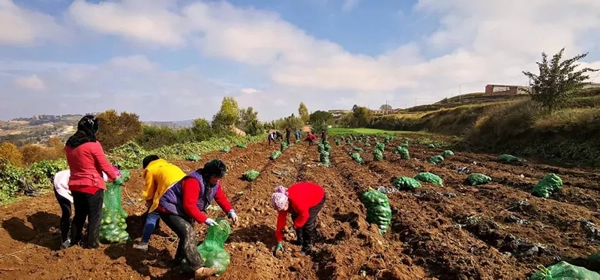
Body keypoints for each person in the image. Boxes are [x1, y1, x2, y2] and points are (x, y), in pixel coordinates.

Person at [157, 159, 239, 279]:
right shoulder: (193, 181)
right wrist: (204, 219)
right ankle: (198, 269)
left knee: (186, 235)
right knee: (187, 232)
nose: (218, 180)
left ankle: (179, 261)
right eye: (216, 177)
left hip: (183, 211)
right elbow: (189, 205)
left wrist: (230, 211)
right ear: (209, 175)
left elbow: (220, 197)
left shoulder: (213, 183)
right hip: (169, 209)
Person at [64, 115, 122, 249]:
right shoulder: (93, 144)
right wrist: (115, 178)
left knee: (79, 215)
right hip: (92, 185)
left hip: (75, 185)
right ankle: (92, 244)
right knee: (95, 216)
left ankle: (74, 241)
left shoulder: (69, 144)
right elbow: (104, 165)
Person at [133, 155, 186, 251]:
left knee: (152, 215)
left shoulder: (150, 169)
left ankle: (144, 243)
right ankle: (181, 235)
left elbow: (149, 190)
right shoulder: (170, 166)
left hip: (170, 190)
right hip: (185, 190)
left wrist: (149, 204)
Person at [53, 169, 110, 249]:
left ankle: (75, 237)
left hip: (76, 186)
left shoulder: (98, 179)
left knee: (82, 212)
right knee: (67, 211)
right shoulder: (95, 177)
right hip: (60, 184)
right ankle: (64, 239)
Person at [270, 182, 326, 256]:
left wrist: (294, 227)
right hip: (304, 196)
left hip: (317, 196)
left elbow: (304, 215)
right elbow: (281, 223)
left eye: (283, 209)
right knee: (294, 217)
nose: (282, 211)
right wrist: (279, 241)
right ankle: (300, 240)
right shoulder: (281, 205)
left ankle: (307, 248)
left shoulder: (297, 203)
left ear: (287, 203)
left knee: (307, 223)